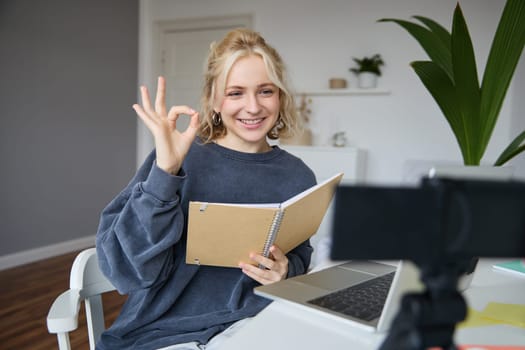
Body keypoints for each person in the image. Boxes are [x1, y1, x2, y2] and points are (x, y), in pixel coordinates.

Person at [95, 28, 316, 350]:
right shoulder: (178, 159)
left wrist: (286, 269)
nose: (253, 107)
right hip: (165, 333)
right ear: (213, 99)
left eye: (265, 91)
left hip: (255, 325)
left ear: (280, 96)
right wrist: (165, 173)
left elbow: (299, 254)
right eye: (235, 92)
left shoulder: (298, 175)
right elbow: (127, 271)